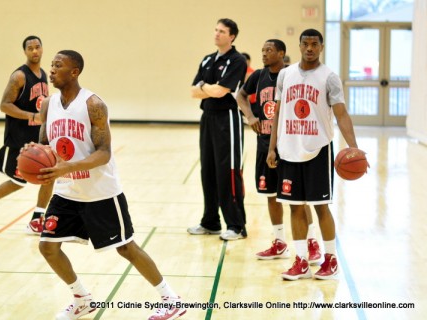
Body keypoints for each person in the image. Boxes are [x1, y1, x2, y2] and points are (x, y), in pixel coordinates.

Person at [35, 50, 185, 320]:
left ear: (75, 71)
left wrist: (68, 167)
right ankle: (82, 299)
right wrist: (33, 158)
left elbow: (103, 152)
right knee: (48, 246)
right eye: (51, 65)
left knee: (126, 247)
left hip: (100, 192)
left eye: (58, 65)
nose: (52, 70)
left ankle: (170, 298)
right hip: (67, 191)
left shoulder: (93, 104)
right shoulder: (48, 105)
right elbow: (45, 146)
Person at [267, 29, 363, 280]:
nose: (309, 48)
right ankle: (300, 260)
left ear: (321, 47)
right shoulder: (285, 75)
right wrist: (271, 147)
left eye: (314, 44)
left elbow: (341, 114)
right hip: (288, 149)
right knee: (295, 208)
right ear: (299, 46)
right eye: (305, 44)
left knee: (321, 206)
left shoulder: (329, 77)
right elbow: (277, 112)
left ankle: (330, 259)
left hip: (318, 149)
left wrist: (352, 146)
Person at [236, 39, 321, 263]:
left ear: (281, 53)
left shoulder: (292, 74)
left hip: (288, 146)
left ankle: (312, 242)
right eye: (262, 50)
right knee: (271, 195)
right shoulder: (258, 76)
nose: (264, 54)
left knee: (298, 199)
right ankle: (280, 241)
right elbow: (240, 96)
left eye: (269, 50)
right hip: (265, 144)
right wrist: (250, 116)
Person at [0, 35, 51, 234]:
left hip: (36, 136)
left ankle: (37, 219)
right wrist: (32, 117)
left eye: (37, 47)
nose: (34, 51)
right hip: (19, 136)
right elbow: (4, 105)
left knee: (50, 174)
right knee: (19, 181)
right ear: (25, 52)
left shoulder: (42, 73)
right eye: (30, 48)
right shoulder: (19, 76)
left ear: (42, 49)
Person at [188, 18, 248, 241]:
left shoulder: (237, 60)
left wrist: (205, 87)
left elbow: (222, 92)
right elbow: (194, 91)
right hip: (208, 117)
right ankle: (210, 221)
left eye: (222, 31)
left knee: (228, 172)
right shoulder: (207, 60)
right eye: (215, 30)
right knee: (208, 170)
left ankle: (236, 225)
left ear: (231, 36)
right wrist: (207, 88)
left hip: (228, 119)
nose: (216, 34)